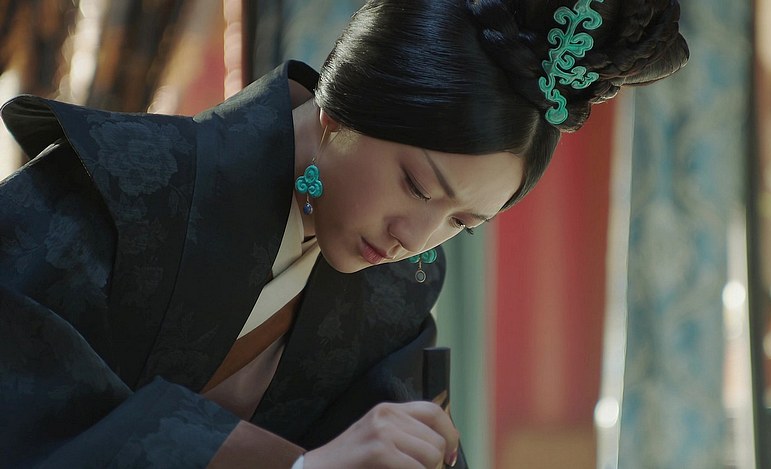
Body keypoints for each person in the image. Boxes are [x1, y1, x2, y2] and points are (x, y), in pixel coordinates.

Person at [0, 0, 688, 467]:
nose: (415, 237)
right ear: (337, 112)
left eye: (461, 223)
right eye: (417, 185)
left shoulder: (397, 292)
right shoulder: (119, 184)